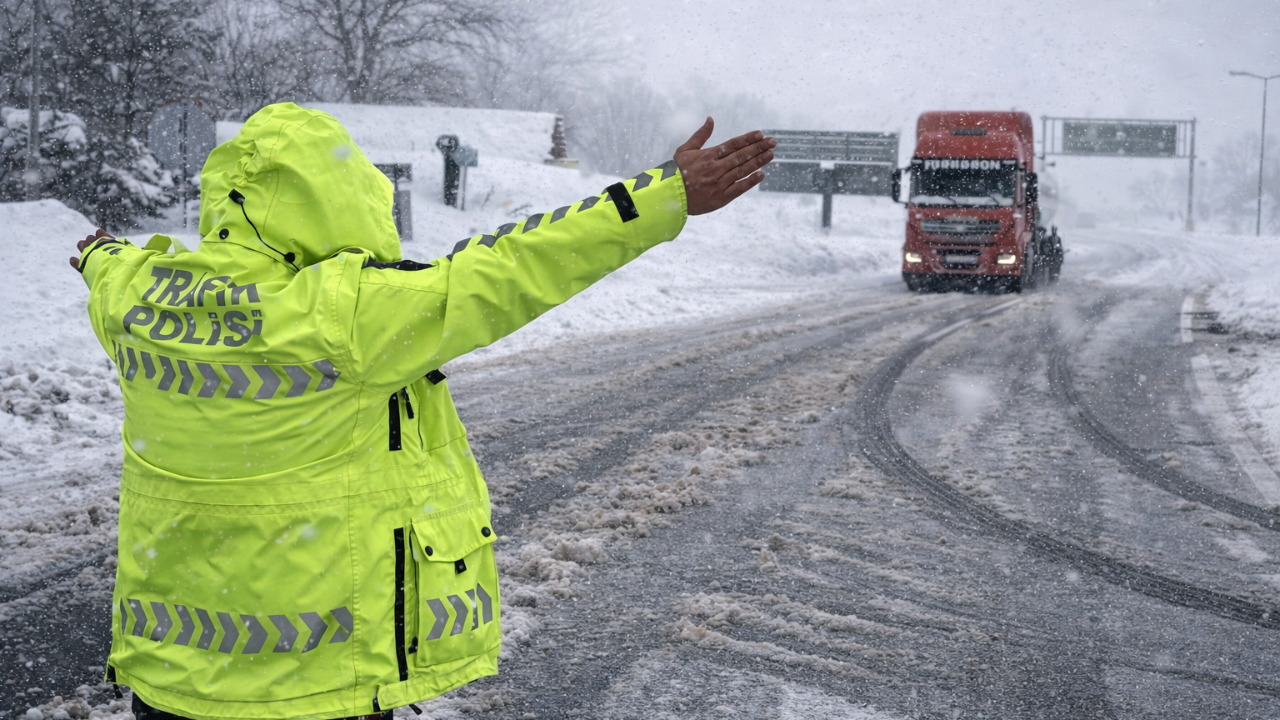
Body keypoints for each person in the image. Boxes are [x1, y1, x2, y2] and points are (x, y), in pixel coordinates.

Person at [69, 102, 774, 719]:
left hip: (169, 681)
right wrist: (663, 196)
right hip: (308, 691)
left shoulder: (138, 301)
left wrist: (99, 253)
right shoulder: (346, 315)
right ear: (341, 200)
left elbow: (109, 267)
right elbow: (510, 268)